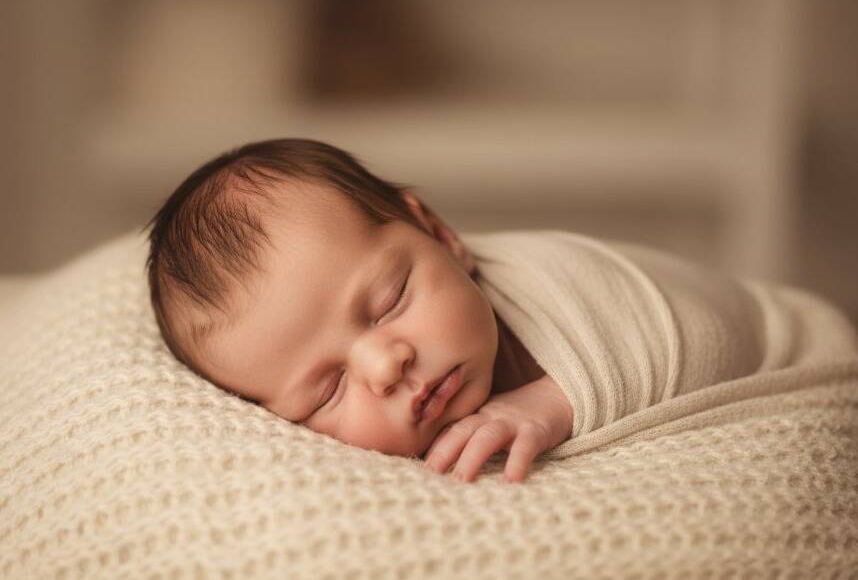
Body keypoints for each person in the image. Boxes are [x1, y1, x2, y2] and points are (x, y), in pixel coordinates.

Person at [146, 138, 574, 484]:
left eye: (390, 302)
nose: (386, 367)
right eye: (329, 390)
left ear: (438, 234)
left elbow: (642, 333)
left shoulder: (553, 281)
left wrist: (547, 402)